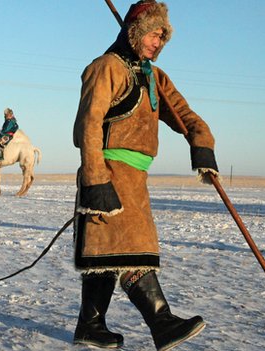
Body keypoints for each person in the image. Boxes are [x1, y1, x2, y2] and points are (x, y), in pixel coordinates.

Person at [72, 1, 219, 350]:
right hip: (109, 170)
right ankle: (162, 322)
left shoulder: (154, 77)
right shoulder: (106, 67)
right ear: (135, 32)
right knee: (132, 249)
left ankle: (90, 326)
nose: (158, 43)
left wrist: (202, 146)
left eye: (163, 37)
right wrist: (96, 180)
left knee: (109, 254)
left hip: (137, 178)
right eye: (154, 34)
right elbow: (88, 126)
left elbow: (185, 114)